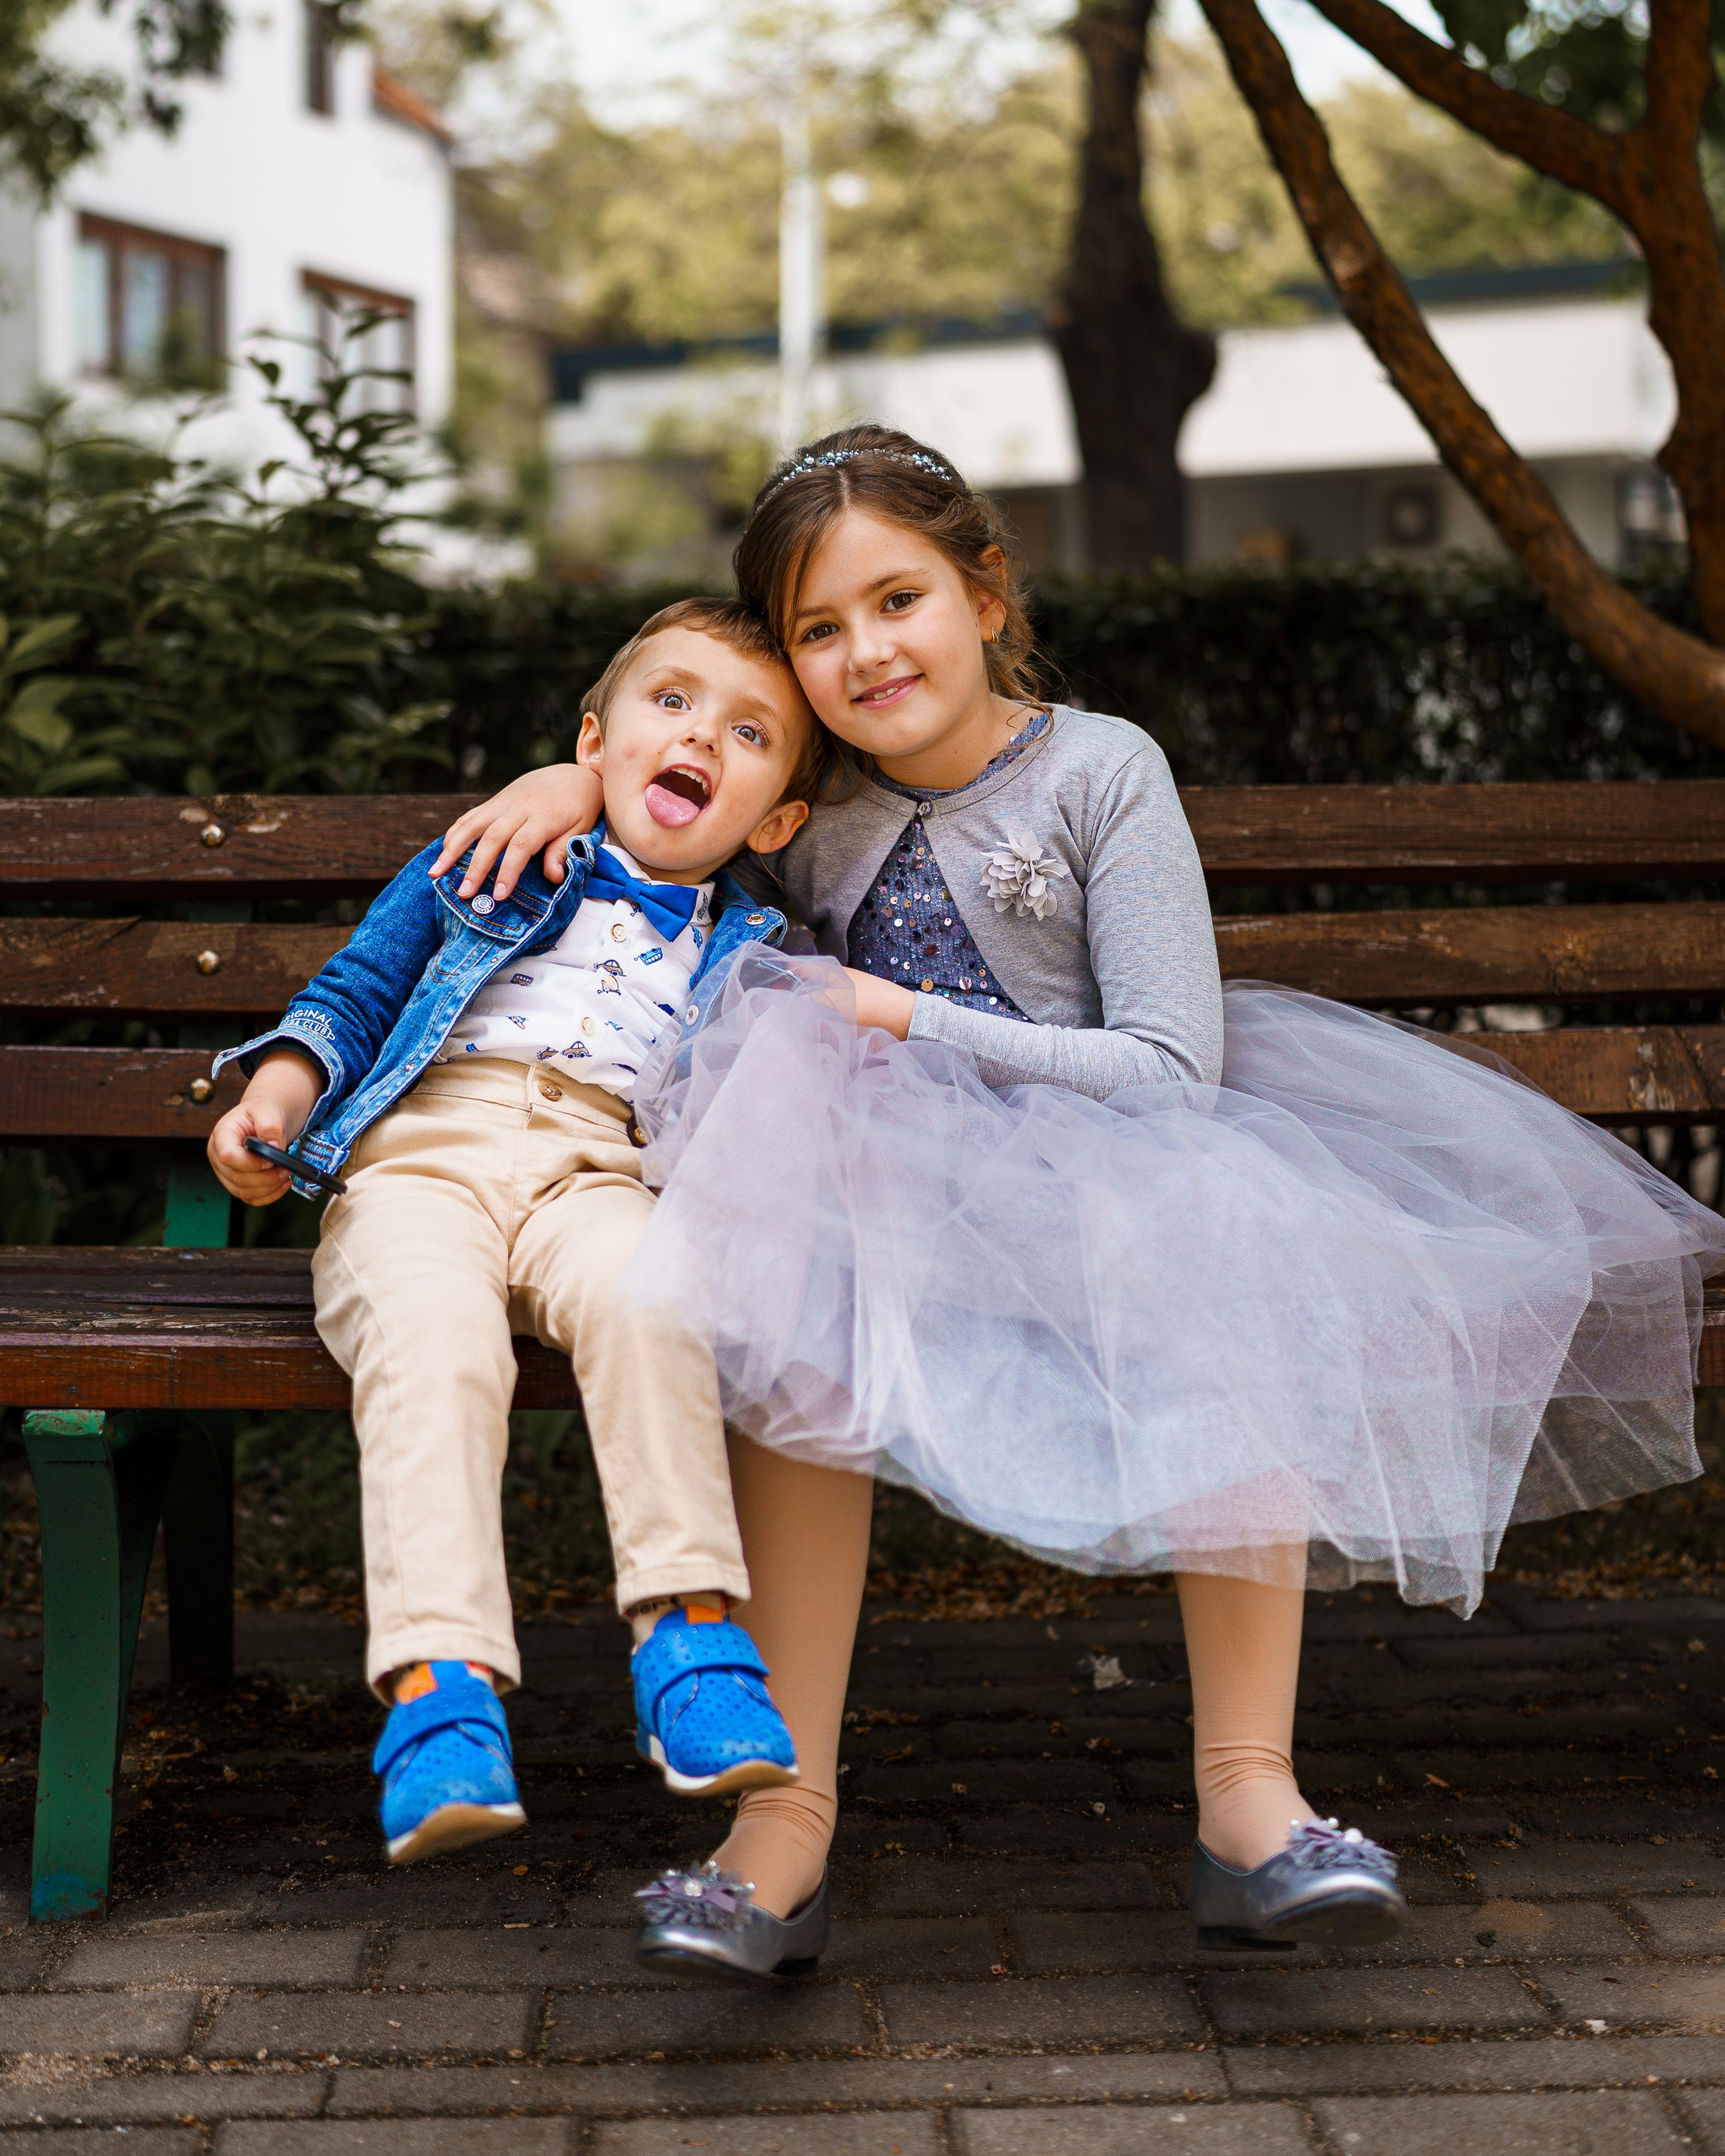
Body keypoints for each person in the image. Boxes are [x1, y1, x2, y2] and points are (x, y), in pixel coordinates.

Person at [439, 427, 1725, 1980]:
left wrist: (908, 1021)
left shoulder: (1100, 769)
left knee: (1227, 1244)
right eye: (815, 632)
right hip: (882, 1201)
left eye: (895, 599)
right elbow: (669, 784)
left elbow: (1172, 1068)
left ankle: (1249, 1800)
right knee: (791, 1295)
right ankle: (779, 1823)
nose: (862, 652)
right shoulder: (796, 799)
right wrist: (572, 771)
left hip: (1118, 1163)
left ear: (985, 592)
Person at [206, 598, 837, 1868]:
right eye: (672, 703)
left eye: (749, 731)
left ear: (773, 822)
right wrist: (276, 1094)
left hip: (598, 1176)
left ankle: (692, 1638)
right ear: (595, 741)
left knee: (658, 1297)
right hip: (421, 1161)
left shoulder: (758, 944)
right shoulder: (492, 856)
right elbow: (358, 989)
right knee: (438, 1346)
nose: (701, 736)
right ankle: (441, 1692)